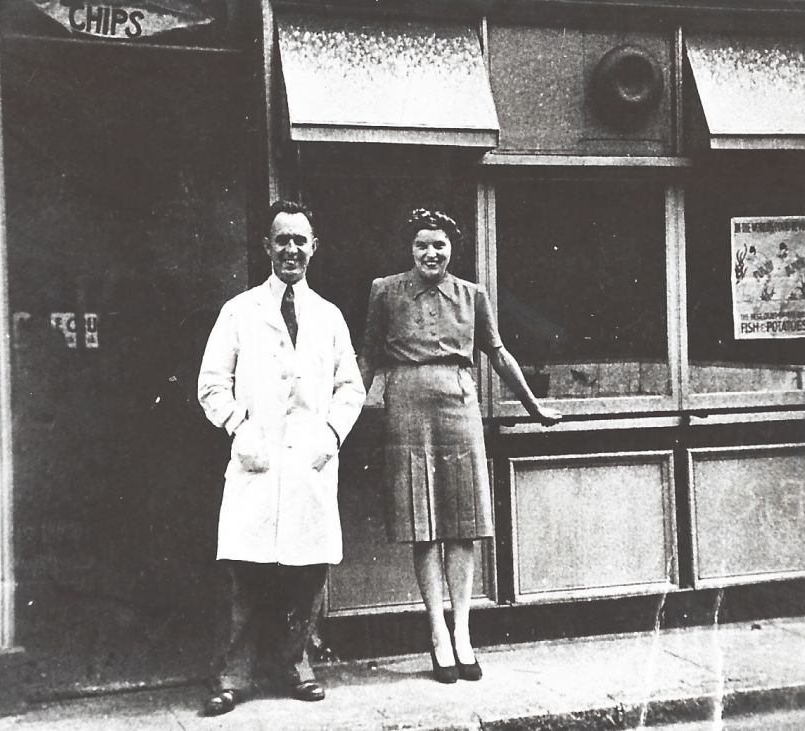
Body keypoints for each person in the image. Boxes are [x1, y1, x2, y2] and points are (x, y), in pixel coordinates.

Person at [359, 208, 562, 684]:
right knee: (424, 524)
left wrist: (534, 408)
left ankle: (463, 633)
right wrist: (338, 416)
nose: (431, 253)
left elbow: (497, 352)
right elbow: (366, 356)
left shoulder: (472, 295)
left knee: (463, 524)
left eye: (440, 245)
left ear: (454, 248)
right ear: (410, 249)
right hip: (406, 409)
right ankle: (437, 637)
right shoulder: (384, 291)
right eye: (422, 245)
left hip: (458, 406)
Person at [197, 200, 365, 716]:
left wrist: (331, 436)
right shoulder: (239, 310)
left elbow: (350, 388)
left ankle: (296, 664)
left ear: (314, 247)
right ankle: (234, 674)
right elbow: (210, 385)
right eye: (281, 240)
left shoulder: (329, 315)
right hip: (257, 459)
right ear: (265, 247)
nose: (290, 249)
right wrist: (238, 427)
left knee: (306, 569)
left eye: (300, 240)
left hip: (309, 462)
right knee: (248, 570)